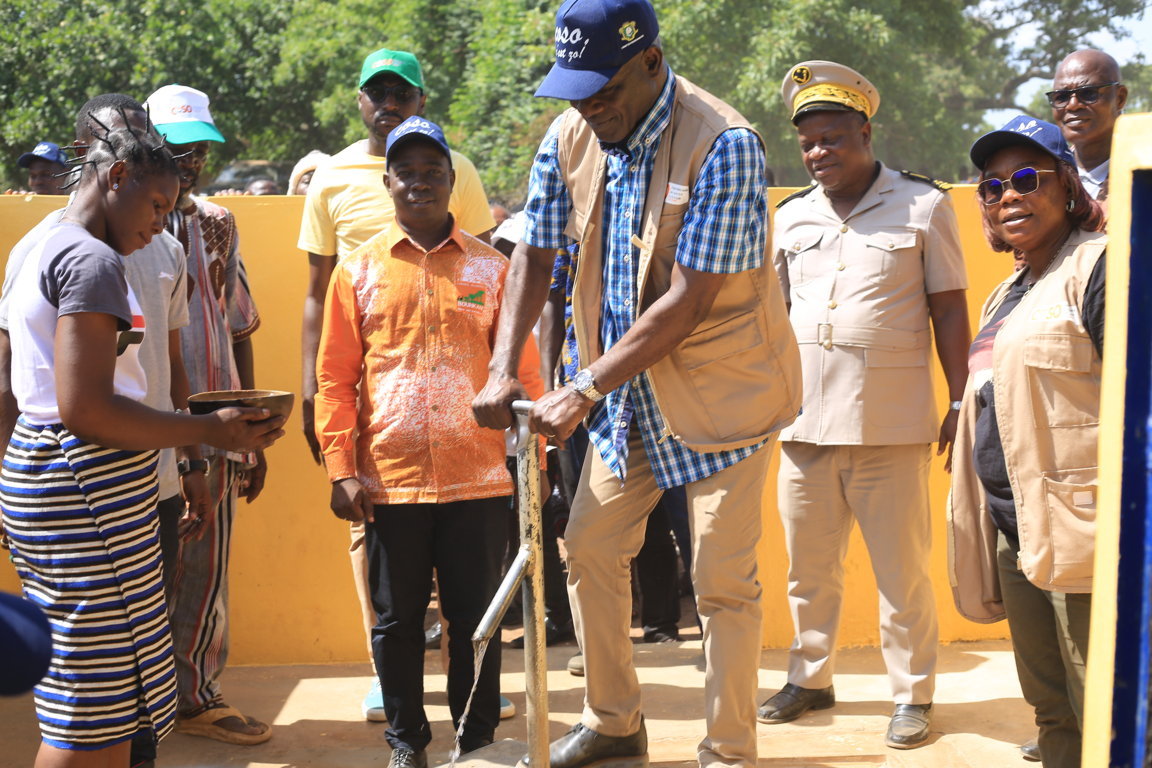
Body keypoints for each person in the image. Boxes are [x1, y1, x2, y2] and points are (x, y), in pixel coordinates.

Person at [473, 1, 802, 766]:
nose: (591, 107)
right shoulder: (572, 135)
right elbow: (534, 253)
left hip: (726, 394)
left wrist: (581, 387)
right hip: (627, 398)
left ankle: (727, 750)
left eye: (603, 89)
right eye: (576, 92)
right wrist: (501, 365)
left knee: (721, 580)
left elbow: (688, 301)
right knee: (587, 546)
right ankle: (616, 722)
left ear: (652, 62)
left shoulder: (726, 144)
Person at [0, 111, 283, 768]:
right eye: (157, 204)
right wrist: (206, 431)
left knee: (105, 699)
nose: (161, 222)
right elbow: (86, 409)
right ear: (117, 175)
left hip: (62, 487)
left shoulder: (47, 245)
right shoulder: (91, 262)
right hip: (83, 490)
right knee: (90, 715)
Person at [760, 61, 971, 750]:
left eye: (833, 138)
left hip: (890, 424)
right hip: (804, 422)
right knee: (806, 570)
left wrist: (960, 397)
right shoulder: (791, 216)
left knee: (901, 573)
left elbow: (947, 308)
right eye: (809, 142)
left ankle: (913, 695)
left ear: (865, 131)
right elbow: (772, 315)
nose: (820, 153)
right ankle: (810, 678)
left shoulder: (923, 206)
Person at [297, 47, 498, 723]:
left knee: (478, 619)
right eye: (405, 172)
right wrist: (339, 465)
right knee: (398, 620)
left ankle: (476, 742)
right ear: (387, 184)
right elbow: (335, 375)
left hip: (480, 477)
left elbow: (517, 371)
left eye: (432, 171)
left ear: (454, 181)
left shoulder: (492, 271)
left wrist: (536, 460)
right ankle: (407, 741)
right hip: (392, 477)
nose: (420, 182)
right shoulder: (357, 272)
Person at [949, 114, 1106, 768]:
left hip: (1085, 538)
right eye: (992, 187)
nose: (1008, 195)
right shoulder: (1003, 295)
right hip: (1018, 536)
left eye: (1025, 179)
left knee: (1105, 708)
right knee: (1050, 710)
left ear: (1066, 186)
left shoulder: (1099, 268)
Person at [144, 83, 272, 745]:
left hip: (216, 425)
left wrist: (250, 434)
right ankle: (139, 707)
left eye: (199, 148)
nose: (189, 159)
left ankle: (195, 695)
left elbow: (237, 326)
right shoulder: (127, 226)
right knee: (148, 563)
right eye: (176, 145)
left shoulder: (218, 223)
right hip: (144, 425)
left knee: (206, 566)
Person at [1049, 49, 1127, 203]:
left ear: (1119, 98)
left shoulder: (1142, 172)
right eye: (1061, 97)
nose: (1072, 106)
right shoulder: (1043, 179)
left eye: (1088, 93)